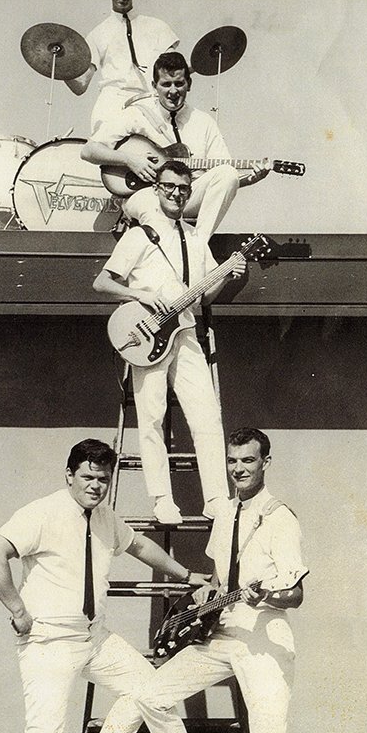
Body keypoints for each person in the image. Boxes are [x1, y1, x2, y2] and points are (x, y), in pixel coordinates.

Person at [81, 428, 307, 733]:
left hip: (264, 641)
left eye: (248, 461)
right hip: (222, 632)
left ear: (265, 463)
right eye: (233, 461)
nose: (239, 469)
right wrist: (206, 598)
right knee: (151, 693)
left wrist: (266, 596)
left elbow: (295, 593)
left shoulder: (281, 518)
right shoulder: (225, 512)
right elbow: (222, 577)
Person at [0, 438, 210, 733]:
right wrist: (18, 611)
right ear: (69, 475)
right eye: (87, 477)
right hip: (49, 639)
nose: (95, 486)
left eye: (103, 479)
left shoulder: (104, 517)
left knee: (151, 688)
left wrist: (186, 574)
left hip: (94, 636)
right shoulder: (41, 512)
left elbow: (140, 546)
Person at [93, 160, 246, 524]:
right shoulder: (138, 236)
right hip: (146, 334)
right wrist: (141, 295)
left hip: (185, 331)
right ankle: (162, 499)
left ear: (189, 193)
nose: (176, 194)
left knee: (207, 414)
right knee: (152, 417)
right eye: (169, 187)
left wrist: (227, 273)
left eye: (183, 188)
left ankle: (215, 498)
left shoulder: (196, 239)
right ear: (157, 189)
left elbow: (203, 297)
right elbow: (102, 282)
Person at [82, 50, 268, 241]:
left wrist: (249, 179)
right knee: (151, 210)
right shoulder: (137, 114)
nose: (172, 91)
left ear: (189, 84)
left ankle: (199, 245)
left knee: (227, 173)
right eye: (166, 84)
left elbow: (222, 178)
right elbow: (89, 151)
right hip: (146, 195)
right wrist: (130, 160)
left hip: (185, 195)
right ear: (154, 86)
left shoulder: (203, 122)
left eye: (179, 84)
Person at [65, 0, 179, 131]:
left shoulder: (157, 27)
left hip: (150, 106)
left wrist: (202, 63)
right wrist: (59, 65)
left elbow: (175, 71)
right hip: (110, 107)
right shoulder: (97, 34)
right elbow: (80, 85)